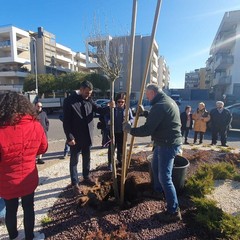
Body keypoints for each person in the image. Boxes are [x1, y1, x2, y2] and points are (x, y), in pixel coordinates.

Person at [123, 83, 182, 223]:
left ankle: (173, 211)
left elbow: (147, 129)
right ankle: (157, 191)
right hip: (164, 142)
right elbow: (160, 120)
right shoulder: (167, 101)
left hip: (167, 144)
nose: (146, 97)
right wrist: (145, 113)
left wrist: (130, 130)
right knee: (154, 166)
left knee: (165, 178)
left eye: (147, 94)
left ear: (153, 93)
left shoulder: (160, 106)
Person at [0, 91, 48, 240]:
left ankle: (13, 236)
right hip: (28, 175)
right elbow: (43, 148)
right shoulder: (35, 125)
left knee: (10, 209)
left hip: (6, 179)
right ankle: (29, 236)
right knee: (28, 208)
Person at [63, 80, 111, 195]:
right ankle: (75, 183)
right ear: (81, 89)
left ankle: (86, 176)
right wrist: (69, 137)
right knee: (74, 161)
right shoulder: (69, 101)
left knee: (87, 158)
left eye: (90, 93)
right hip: (75, 138)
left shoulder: (89, 100)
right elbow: (66, 122)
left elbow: (99, 110)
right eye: (86, 92)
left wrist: (109, 107)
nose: (88, 95)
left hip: (88, 137)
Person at [106, 93, 134, 169]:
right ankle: (110, 163)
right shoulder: (112, 109)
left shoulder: (127, 109)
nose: (120, 103)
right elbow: (106, 117)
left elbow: (132, 118)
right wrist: (108, 121)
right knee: (111, 148)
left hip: (122, 133)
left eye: (122, 102)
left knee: (121, 148)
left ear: (125, 102)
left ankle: (120, 161)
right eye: (119, 102)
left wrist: (129, 122)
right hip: (113, 132)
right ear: (116, 101)